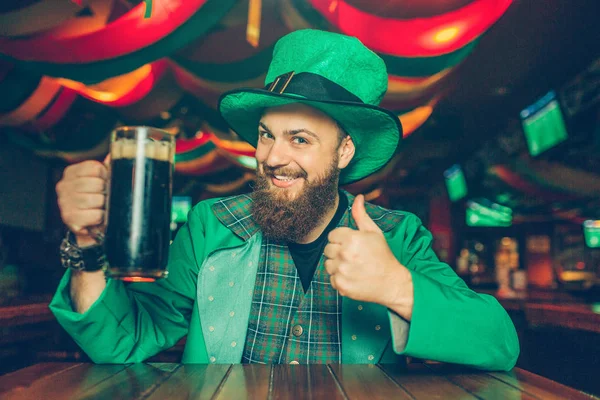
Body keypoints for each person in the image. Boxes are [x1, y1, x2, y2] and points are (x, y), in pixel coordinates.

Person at [50, 29, 519, 369]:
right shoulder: (210, 226)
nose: (272, 157)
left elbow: (499, 343)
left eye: (299, 140)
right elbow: (120, 341)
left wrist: (396, 286)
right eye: (266, 135)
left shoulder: (397, 237)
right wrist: (87, 246)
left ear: (345, 151)